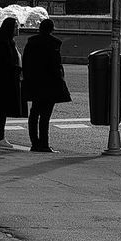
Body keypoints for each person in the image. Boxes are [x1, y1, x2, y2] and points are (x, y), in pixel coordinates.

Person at [22, 18, 72, 153]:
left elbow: (26, 62)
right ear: (52, 29)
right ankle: (44, 144)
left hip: (34, 82)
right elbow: (55, 65)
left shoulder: (31, 42)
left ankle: (34, 143)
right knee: (45, 115)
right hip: (50, 83)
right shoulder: (54, 43)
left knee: (34, 113)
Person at [0, 17, 26, 148]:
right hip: (5, 81)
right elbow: (6, 64)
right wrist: (18, 70)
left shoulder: (8, 42)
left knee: (3, 110)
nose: (18, 28)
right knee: (2, 110)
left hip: (7, 80)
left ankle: (0, 137)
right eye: (15, 26)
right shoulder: (4, 44)